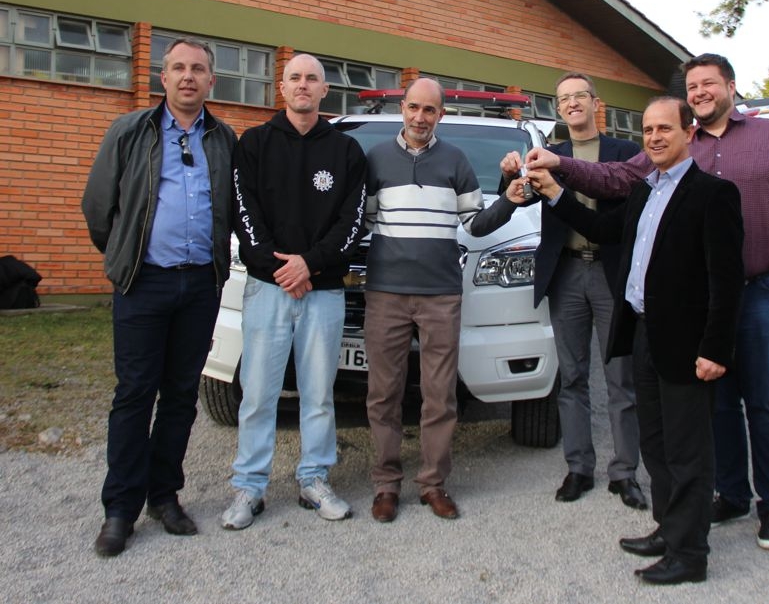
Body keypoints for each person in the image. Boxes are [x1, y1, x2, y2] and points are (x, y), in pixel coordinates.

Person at [523, 53, 769, 552]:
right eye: (693, 85)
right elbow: (614, 181)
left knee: (766, 401)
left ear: (731, 86)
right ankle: (729, 494)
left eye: (709, 83)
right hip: (695, 305)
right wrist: (560, 168)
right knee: (718, 405)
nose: (701, 91)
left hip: (760, 290)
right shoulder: (660, 161)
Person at [528, 96, 744, 584]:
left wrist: (715, 350)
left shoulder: (714, 194)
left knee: (688, 451)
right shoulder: (644, 191)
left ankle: (690, 555)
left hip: (689, 344)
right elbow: (604, 229)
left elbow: (726, 282)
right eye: (647, 130)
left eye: (665, 129)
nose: (654, 138)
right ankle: (669, 530)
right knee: (656, 443)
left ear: (689, 133)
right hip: (644, 333)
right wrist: (555, 192)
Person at [82, 37, 237, 557]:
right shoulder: (130, 132)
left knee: (179, 395)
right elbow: (99, 208)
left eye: (198, 69)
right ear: (163, 78)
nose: (188, 76)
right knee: (133, 394)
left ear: (211, 80)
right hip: (143, 282)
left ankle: (164, 495)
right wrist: (124, 256)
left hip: (199, 285)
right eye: (178, 68)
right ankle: (120, 509)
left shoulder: (224, 138)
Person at [364, 77, 526, 523]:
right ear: (402, 107)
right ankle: (385, 485)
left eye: (429, 110)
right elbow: (366, 219)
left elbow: (473, 224)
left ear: (441, 114)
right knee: (383, 394)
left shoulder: (455, 160)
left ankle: (433, 483)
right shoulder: (376, 159)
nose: (420, 117)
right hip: (385, 292)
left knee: (439, 395)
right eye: (413, 107)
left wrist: (509, 201)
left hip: (440, 295)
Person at [221, 53, 368, 530]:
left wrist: (311, 264)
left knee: (319, 393)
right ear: (281, 88)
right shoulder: (255, 144)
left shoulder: (346, 152)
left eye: (313, 79)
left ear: (326, 91)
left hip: (323, 292)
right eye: (295, 78)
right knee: (259, 392)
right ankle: (249, 486)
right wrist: (281, 268)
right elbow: (243, 213)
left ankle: (314, 478)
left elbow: (353, 222)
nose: (304, 86)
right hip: (267, 289)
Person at [499, 73, 645, 508]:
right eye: (565, 98)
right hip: (566, 274)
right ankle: (578, 467)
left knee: (621, 378)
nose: (573, 103)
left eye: (580, 95)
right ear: (559, 109)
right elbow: (520, 196)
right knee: (572, 376)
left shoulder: (626, 154)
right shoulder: (547, 154)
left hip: (610, 272)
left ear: (595, 103)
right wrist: (508, 170)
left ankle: (625, 473)